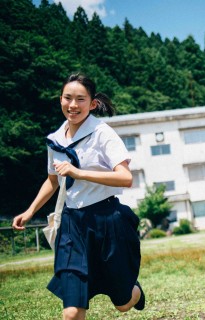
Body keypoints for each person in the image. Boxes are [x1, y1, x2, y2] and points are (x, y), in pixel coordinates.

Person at [12, 73, 145, 320]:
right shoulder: (54, 140)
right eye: (67, 98)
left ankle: (134, 292)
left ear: (92, 103)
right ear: (60, 99)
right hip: (72, 225)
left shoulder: (103, 133)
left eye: (80, 99)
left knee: (124, 303)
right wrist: (30, 212)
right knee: (71, 312)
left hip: (107, 220)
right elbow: (53, 181)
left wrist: (79, 173)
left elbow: (125, 178)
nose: (73, 105)